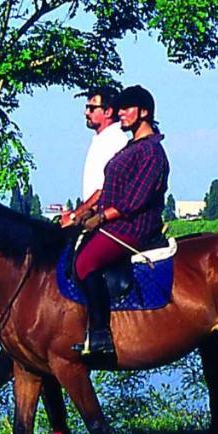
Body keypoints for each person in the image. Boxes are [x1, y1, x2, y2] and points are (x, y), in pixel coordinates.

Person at [72, 84, 170, 362]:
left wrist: (101, 217)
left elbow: (134, 201)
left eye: (127, 109)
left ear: (144, 112)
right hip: (114, 223)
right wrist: (83, 215)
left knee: (85, 263)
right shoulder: (132, 146)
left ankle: (101, 334)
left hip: (133, 227)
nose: (122, 114)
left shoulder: (151, 151)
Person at [60, 85, 127, 228]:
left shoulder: (114, 140)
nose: (86, 112)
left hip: (104, 222)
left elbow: (102, 190)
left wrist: (74, 215)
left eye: (91, 108)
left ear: (108, 112)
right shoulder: (102, 139)